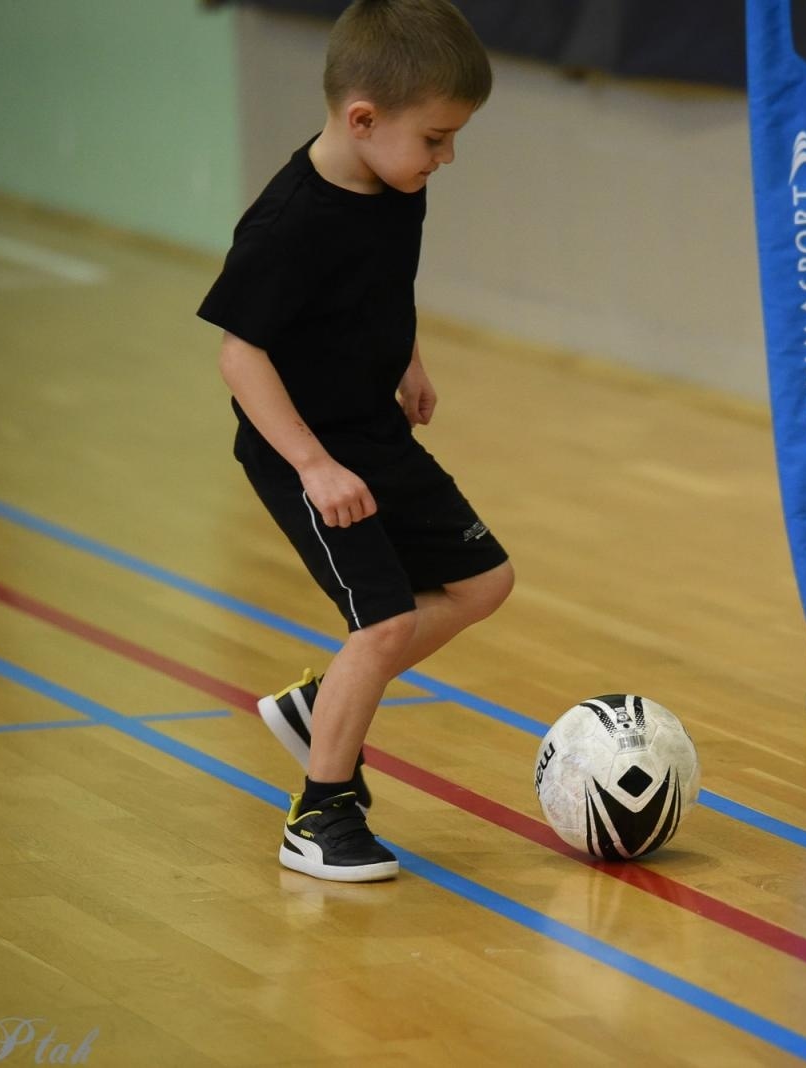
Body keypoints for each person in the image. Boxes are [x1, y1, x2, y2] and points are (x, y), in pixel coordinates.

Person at [198, 0, 513, 883]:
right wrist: (313, 466)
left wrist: (408, 358)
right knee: (384, 621)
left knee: (485, 580)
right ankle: (320, 813)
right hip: (304, 450)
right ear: (364, 119)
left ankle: (320, 704)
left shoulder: (393, 183)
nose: (446, 157)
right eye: (437, 138)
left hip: (374, 428)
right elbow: (239, 354)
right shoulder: (288, 224)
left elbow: (380, 285)